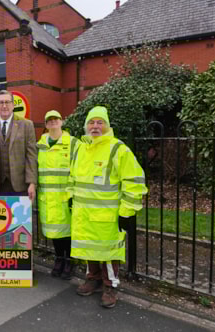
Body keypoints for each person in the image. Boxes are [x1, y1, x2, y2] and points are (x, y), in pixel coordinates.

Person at [68, 106, 147, 308]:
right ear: (86, 126)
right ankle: (92, 278)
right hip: (83, 214)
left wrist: (127, 212)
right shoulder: (79, 148)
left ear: (107, 125)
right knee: (89, 249)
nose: (95, 126)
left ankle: (110, 286)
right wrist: (71, 196)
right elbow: (72, 176)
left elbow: (135, 181)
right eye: (92, 122)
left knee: (110, 252)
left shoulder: (118, 149)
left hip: (108, 216)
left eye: (99, 122)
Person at [37, 110, 81, 280]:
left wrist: (73, 192)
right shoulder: (39, 145)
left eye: (56, 119)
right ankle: (59, 258)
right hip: (47, 197)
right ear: (46, 125)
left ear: (62, 122)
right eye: (50, 120)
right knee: (54, 231)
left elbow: (79, 169)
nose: (53, 122)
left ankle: (69, 260)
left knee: (67, 231)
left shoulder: (73, 143)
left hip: (66, 196)